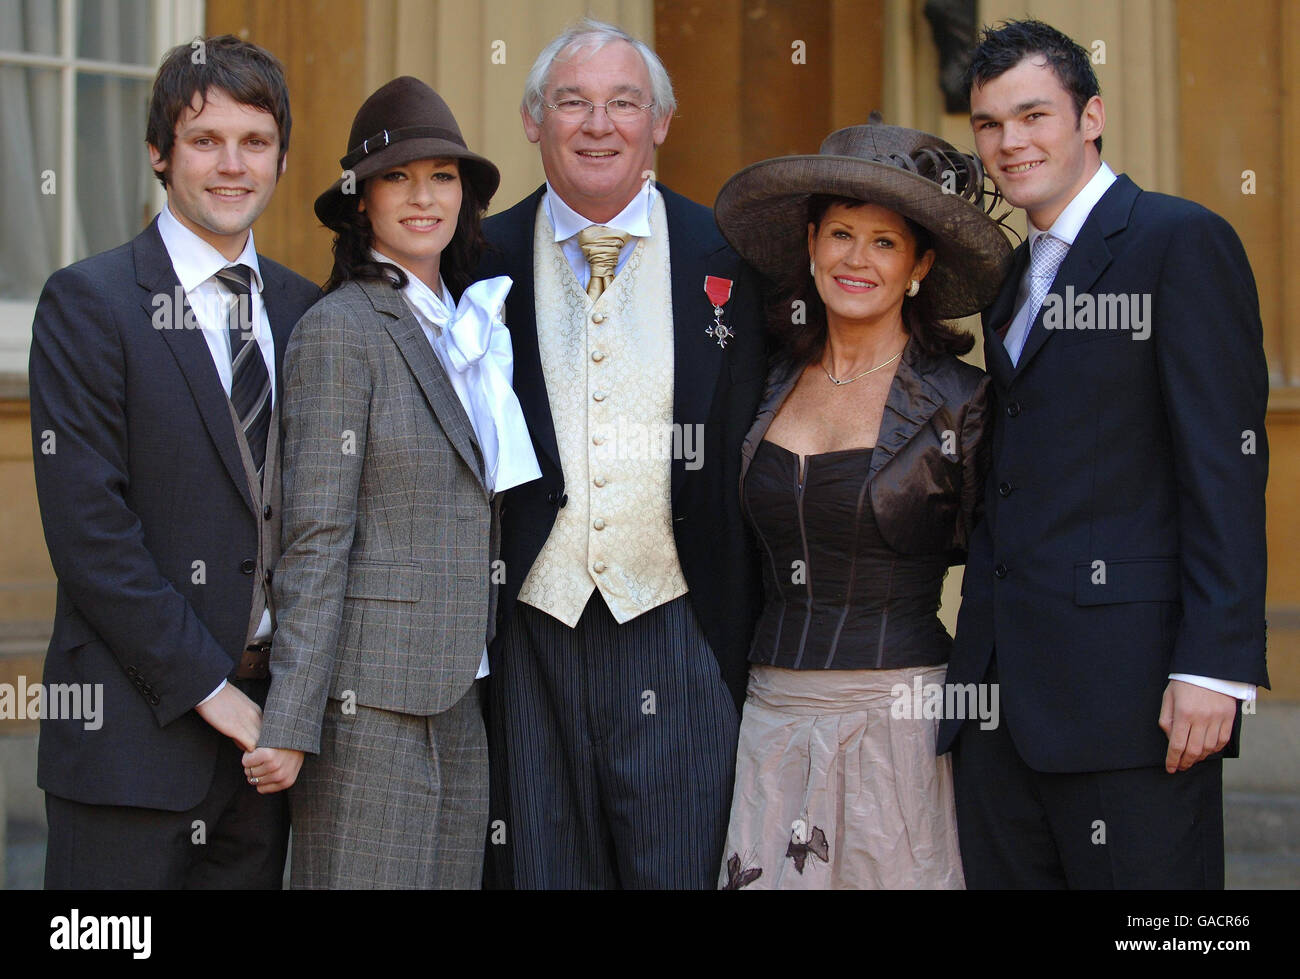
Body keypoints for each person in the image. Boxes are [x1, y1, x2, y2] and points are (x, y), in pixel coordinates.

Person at [939, 18, 1270, 888]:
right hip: (999, 706)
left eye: (1034, 115)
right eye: (988, 123)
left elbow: (1226, 466)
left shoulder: (1177, 241)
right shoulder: (1009, 275)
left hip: (1136, 703)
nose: (1010, 142)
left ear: (1091, 117)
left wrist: (1216, 666)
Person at [478, 18, 767, 889]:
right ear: (534, 121)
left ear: (660, 123)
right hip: (531, 625)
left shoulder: (736, 257)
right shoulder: (473, 258)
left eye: (622, 103)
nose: (597, 124)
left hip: (681, 624)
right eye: (572, 102)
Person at [29, 36, 321, 888]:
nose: (233, 166)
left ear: (279, 157)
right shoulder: (91, 303)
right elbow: (91, 536)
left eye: (255, 142)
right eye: (205, 141)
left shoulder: (308, 312)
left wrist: (287, 707)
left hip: (264, 756)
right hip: (129, 744)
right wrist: (211, 690)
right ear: (160, 153)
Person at [242, 76, 538, 889]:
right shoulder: (339, 332)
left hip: (461, 693)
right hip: (363, 707)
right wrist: (295, 718)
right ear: (361, 203)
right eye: (397, 177)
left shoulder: (468, 328)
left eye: (441, 176)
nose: (422, 196)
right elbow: (315, 535)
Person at [711, 121, 1012, 889]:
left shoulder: (963, 403)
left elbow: (1004, 574)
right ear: (811, 244)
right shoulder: (763, 380)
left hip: (899, 717)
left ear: (920, 264)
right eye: (841, 233)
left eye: (884, 242)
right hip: (772, 711)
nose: (857, 258)